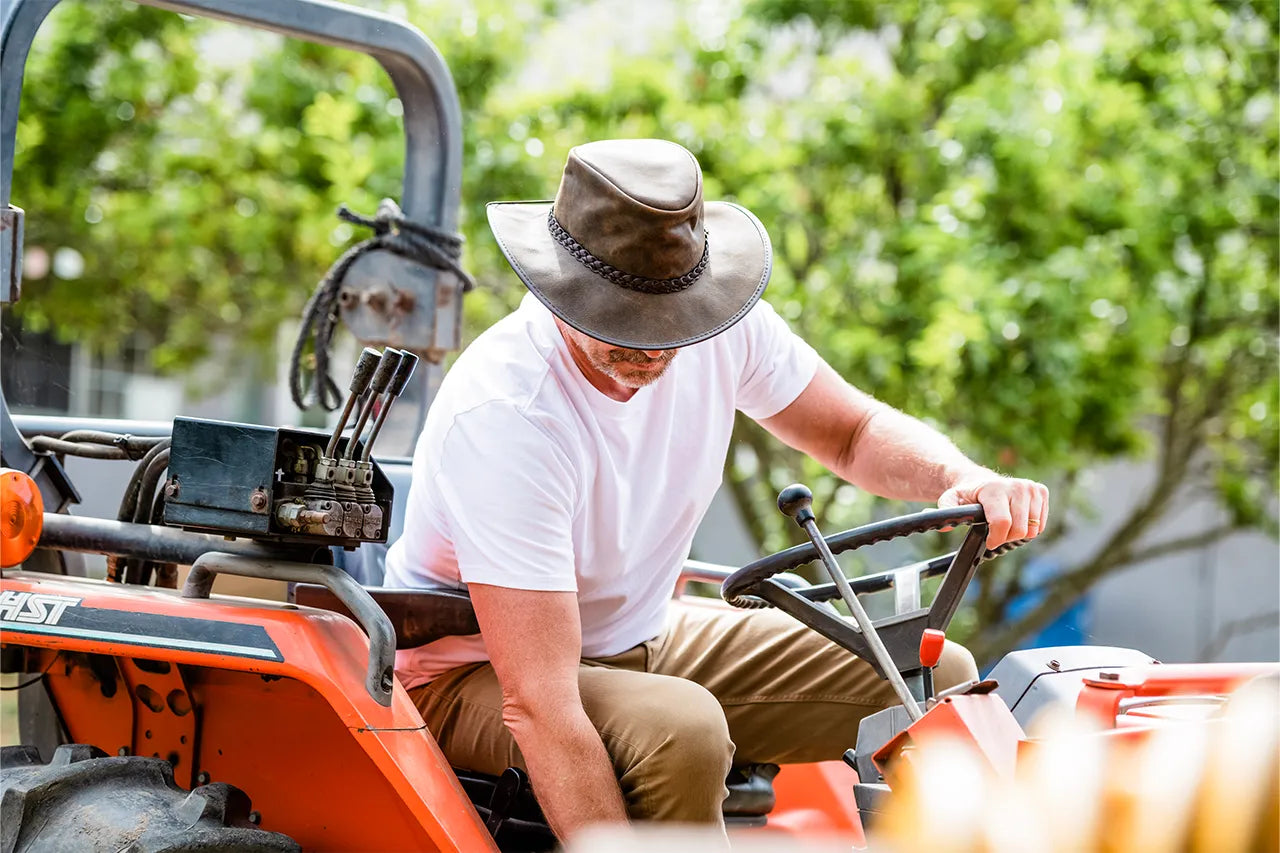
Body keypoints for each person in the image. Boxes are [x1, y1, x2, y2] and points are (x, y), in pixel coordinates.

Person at [383, 138, 1049, 841]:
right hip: (473, 674)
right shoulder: (509, 414)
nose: (653, 346)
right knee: (682, 730)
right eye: (621, 318)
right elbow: (539, 705)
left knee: (932, 675)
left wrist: (960, 476)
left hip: (642, 634)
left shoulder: (718, 327)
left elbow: (851, 433)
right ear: (561, 288)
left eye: (671, 319)